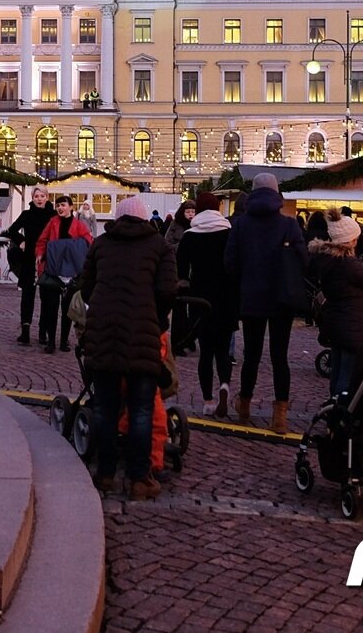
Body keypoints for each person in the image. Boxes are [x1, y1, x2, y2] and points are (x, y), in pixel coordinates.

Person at [78, 195, 177, 501]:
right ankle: (139, 479)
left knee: (105, 409)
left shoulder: (101, 244)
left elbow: (86, 287)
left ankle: (105, 475)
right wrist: (154, 318)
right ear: (145, 217)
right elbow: (167, 291)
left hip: (104, 335)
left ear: (118, 217)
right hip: (142, 336)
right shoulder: (159, 246)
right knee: (141, 410)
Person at [224, 171, 307, 432]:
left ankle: (244, 406)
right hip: (282, 297)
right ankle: (280, 415)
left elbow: (230, 263)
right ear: (276, 192)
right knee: (280, 356)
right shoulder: (289, 224)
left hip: (252, 296)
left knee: (251, 355)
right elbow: (303, 260)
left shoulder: (241, 225)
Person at [308, 209, 363, 397]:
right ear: (351, 240)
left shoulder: (329, 258)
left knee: (338, 369)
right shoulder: (347, 264)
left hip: (336, 322)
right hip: (352, 325)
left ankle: (333, 403)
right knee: (347, 374)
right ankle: (339, 407)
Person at [176, 193, 235, 416]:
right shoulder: (228, 232)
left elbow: (181, 269)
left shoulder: (190, 235)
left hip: (200, 297)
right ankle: (225, 384)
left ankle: (208, 400)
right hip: (226, 296)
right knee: (223, 349)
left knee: (206, 352)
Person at [34, 194, 93, 352]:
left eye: (63, 205)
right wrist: (40, 253)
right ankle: (51, 342)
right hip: (54, 270)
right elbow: (42, 240)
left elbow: (88, 242)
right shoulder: (53, 222)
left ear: (71, 207)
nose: (60, 208)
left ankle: (64, 341)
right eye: (58, 205)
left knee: (68, 309)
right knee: (51, 308)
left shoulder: (79, 225)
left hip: (72, 272)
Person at [5, 186, 54, 346]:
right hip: (29, 258)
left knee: (47, 296)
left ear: (47, 197)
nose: (39, 199)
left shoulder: (53, 215)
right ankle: (25, 331)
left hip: (46, 258)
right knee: (27, 295)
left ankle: (43, 331)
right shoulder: (26, 214)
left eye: (42, 196)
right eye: (36, 196)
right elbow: (12, 230)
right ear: (32, 198)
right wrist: (21, 241)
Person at [164, 199, 197, 354]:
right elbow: (167, 245)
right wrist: (182, 246)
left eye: (193, 212)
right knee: (179, 309)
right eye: (188, 211)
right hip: (179, 272)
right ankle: (178, 342)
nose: (190, 214)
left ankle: (189, 338)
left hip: (194, 272)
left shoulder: (198, 225)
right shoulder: (175, 225)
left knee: (194, 309)